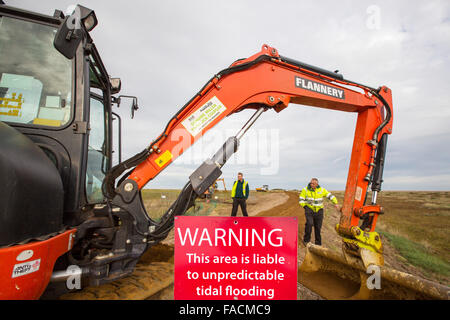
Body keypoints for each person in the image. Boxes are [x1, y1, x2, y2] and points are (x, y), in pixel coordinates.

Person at [299, 178, 339, 246]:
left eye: (313, 183)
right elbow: (301, 200)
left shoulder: (322, 190)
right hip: (309, 209)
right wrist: (305, 207)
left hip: (319, 211)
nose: (311, 184)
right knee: (309, 224)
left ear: (317, 184)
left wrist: (335, 202)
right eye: (311, 183)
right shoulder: (305, 190)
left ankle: (318, 243)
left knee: (318, 227)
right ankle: (306, 240)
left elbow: (330, 195)